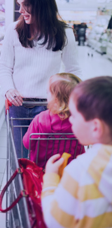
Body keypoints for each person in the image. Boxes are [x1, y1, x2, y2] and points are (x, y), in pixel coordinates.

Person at [0, 0, 82, 158]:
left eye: (25, 5)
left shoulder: (64, 33)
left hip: (49, 108)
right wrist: (8, 89)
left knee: (44, 159)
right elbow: (4, 67)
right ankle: (21, 187)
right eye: (19, 4)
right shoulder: (14, 30)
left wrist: (77, 100)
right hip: (18, 106)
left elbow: (74, 70)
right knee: (20, 157)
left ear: (41, 5)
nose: (20, 11)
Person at [41, 76, 112, 228]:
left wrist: (51, 177)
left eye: (73, 115)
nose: (70, 120)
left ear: (95, 128)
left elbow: (55, 221)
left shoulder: (80, 170)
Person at [23, 73, 85, 168]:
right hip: (70, 169)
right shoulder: (79, 121)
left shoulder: (40, 119)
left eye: (48, 93)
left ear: (55, 100)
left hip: (42, 168)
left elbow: (27, 144)